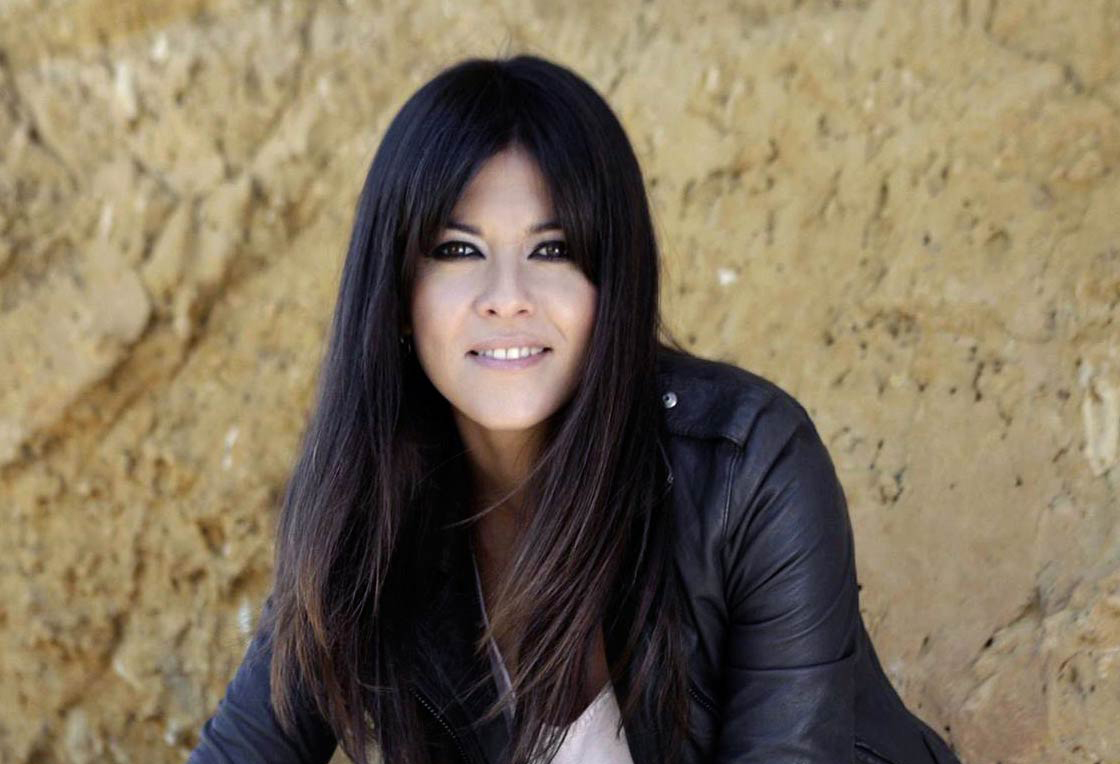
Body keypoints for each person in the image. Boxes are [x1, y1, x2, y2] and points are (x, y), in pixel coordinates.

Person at [187, 54, 962, 764]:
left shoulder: (748, 468)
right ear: (396, 294)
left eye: (552, 249)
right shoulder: (365, 505)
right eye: (458, 250)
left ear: (612, 283)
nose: (507, 299)